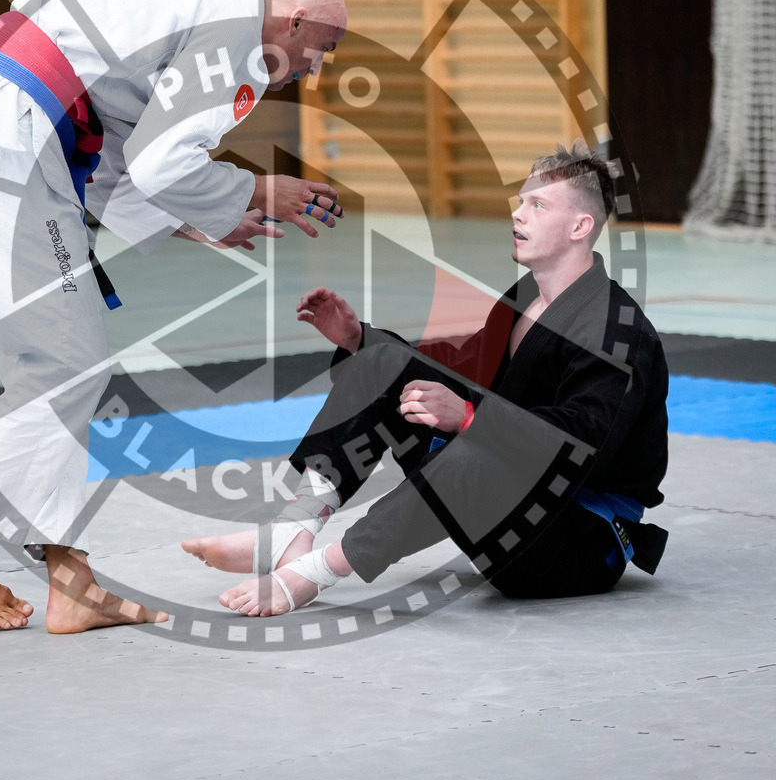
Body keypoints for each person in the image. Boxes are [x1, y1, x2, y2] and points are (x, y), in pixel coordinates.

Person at [0, 0, 348, 631]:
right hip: (5, 142)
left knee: (61, 366)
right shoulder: (235, 33)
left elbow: (120, 148)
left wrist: (194, 222)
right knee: (65, 365)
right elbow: (159, 162)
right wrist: (260, 189)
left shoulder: (199, 8)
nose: (316, 67)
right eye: (324, 45)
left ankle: (72, 584)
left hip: (3, 133)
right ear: (294, 21)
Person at [183, 141, 670, 616]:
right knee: (382, 364)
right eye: (521, 201)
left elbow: (583, 445)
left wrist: (470, 417)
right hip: (509, 498)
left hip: (575, 539)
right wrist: (359, 341)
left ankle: (316, 572)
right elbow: (465, 366)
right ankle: (294, 528)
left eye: (538, 205)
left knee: (467, 453)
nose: (518, 214)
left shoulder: (615, 330)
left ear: (581, 226)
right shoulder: (527, 299)